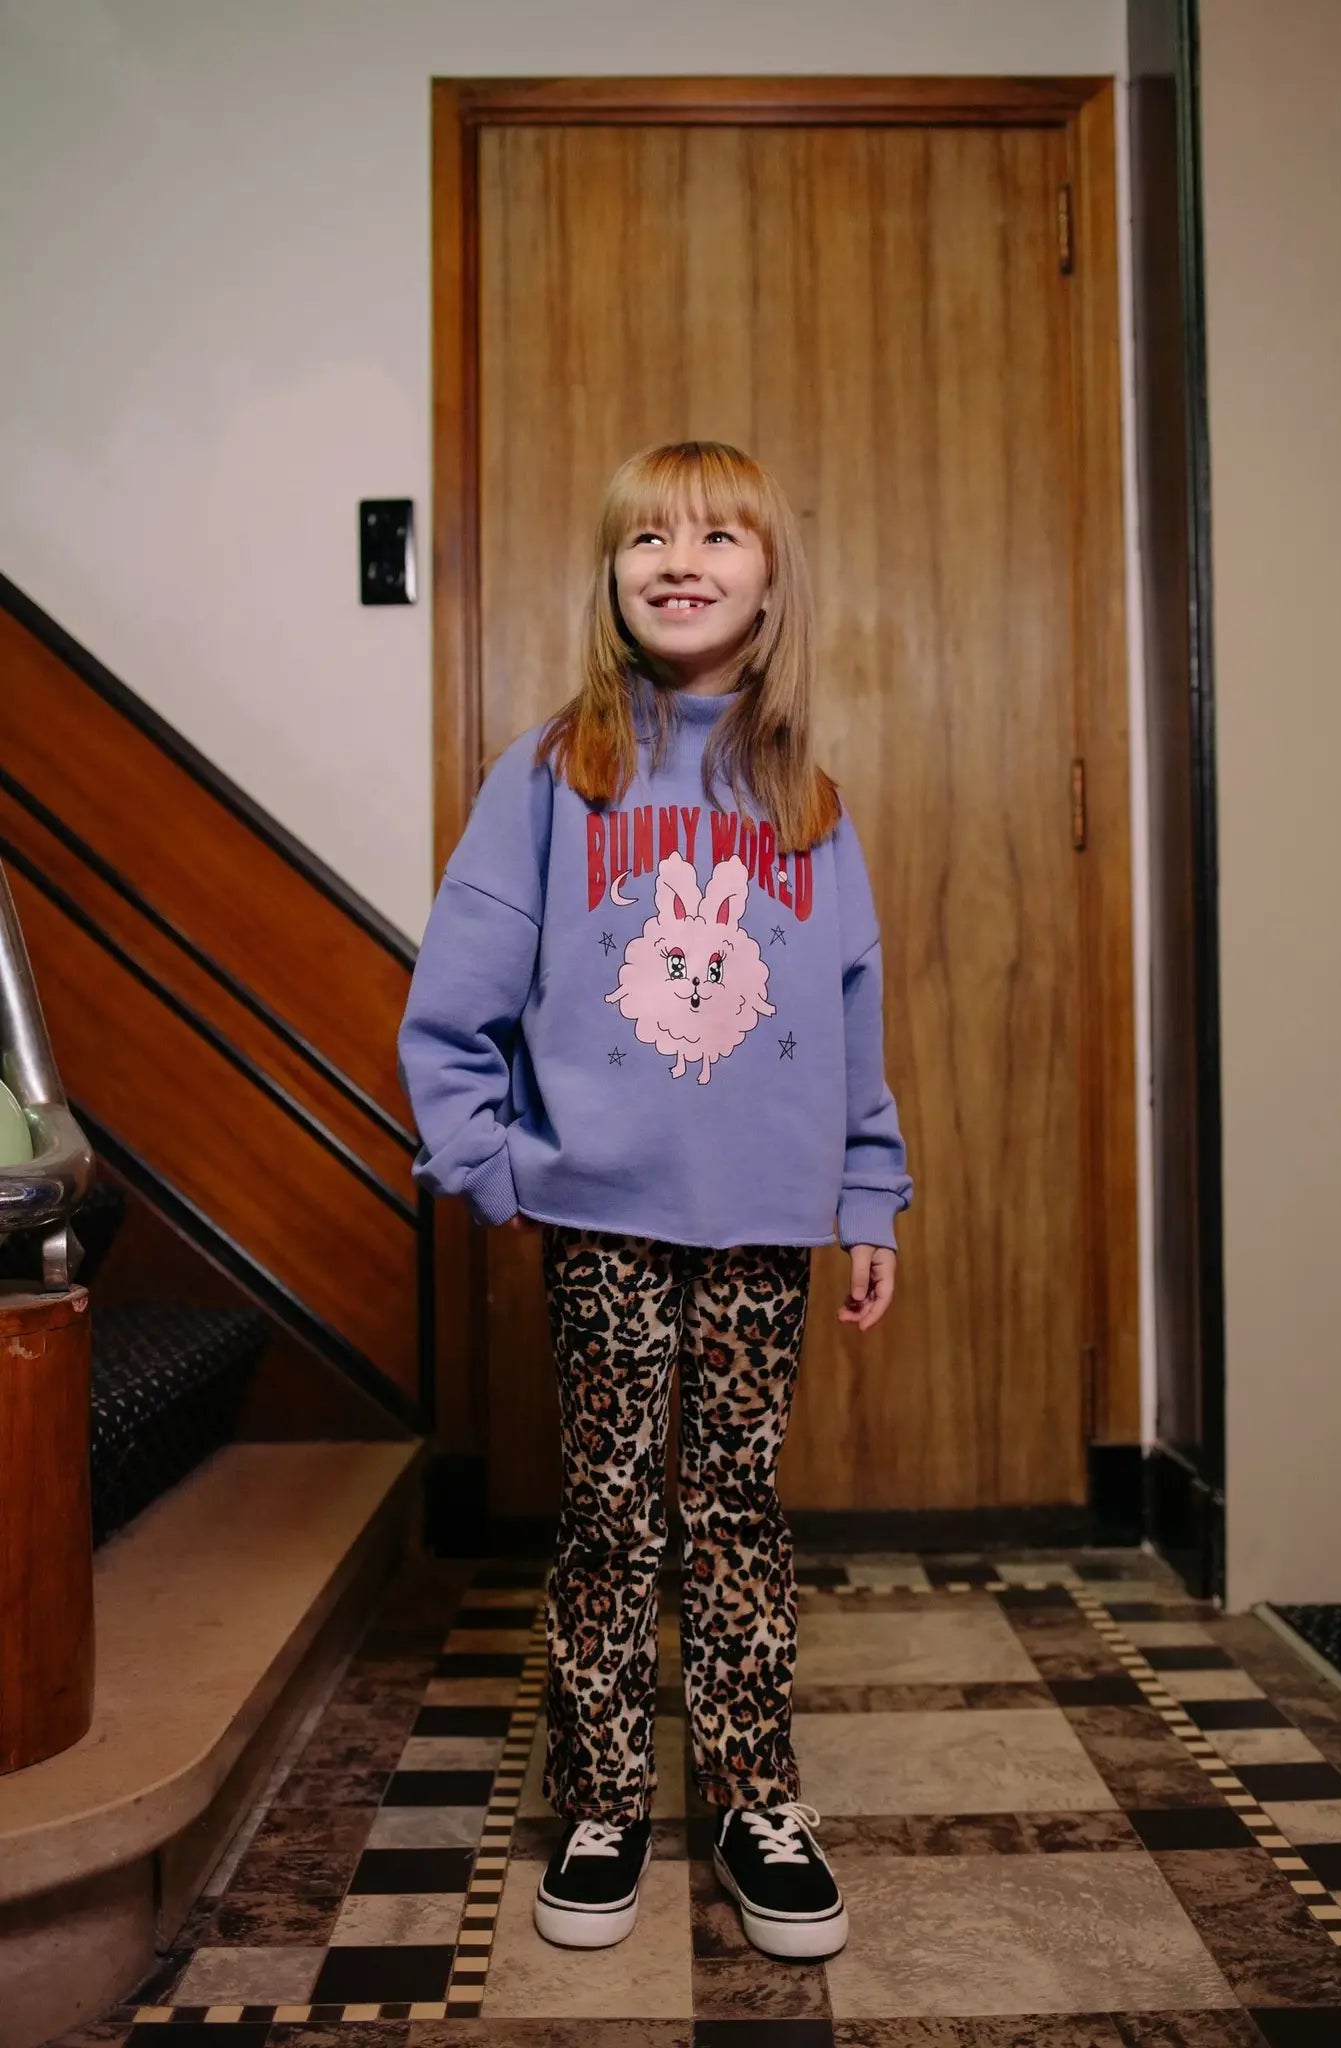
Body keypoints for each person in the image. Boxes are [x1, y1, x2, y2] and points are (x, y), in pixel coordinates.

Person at [398, 439, 913, 1960]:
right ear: (612, 579)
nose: (680, 561)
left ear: (769, 582)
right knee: (611, 1509)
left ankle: (757, 1799)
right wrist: (488, 1162)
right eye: (647, 540)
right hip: (605, 1221)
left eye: (717, 537)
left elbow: (854, 1019)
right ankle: (604, 1798)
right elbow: (457, 996)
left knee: (735, 1508)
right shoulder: (553, 775)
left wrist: (867, 1193)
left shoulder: (807, 799)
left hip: (764, 1224)